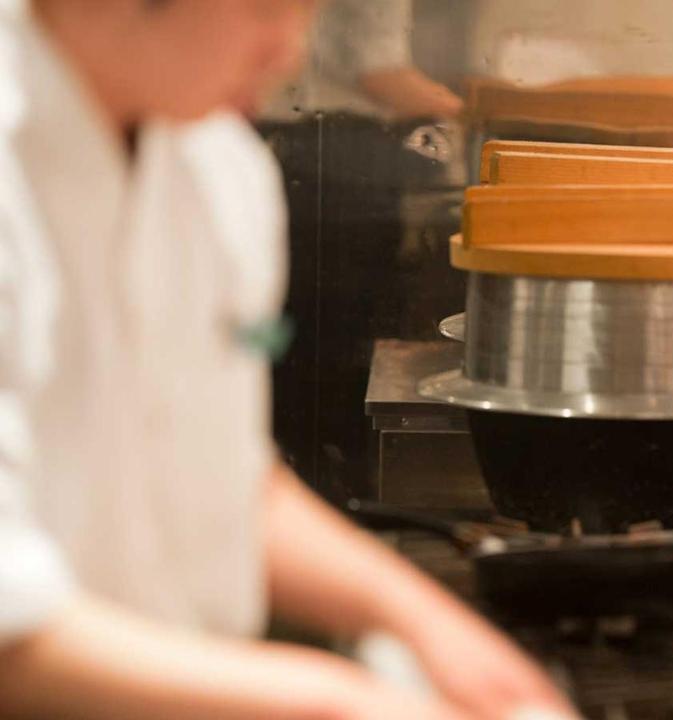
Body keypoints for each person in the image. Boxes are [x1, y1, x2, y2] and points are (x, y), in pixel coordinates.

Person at [0, 2, 574, 719]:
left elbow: (227, 477)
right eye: (267, 7)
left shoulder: (219, 168)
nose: (290, 53)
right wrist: (340, 703)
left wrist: (425, 624)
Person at [261, 0, 466, 492]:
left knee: (312, 329)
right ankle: (327, 478)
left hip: (314, 150)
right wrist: (470, 109)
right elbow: (376, 70)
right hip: (336, 152)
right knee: (332, 330)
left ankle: (312, 470)